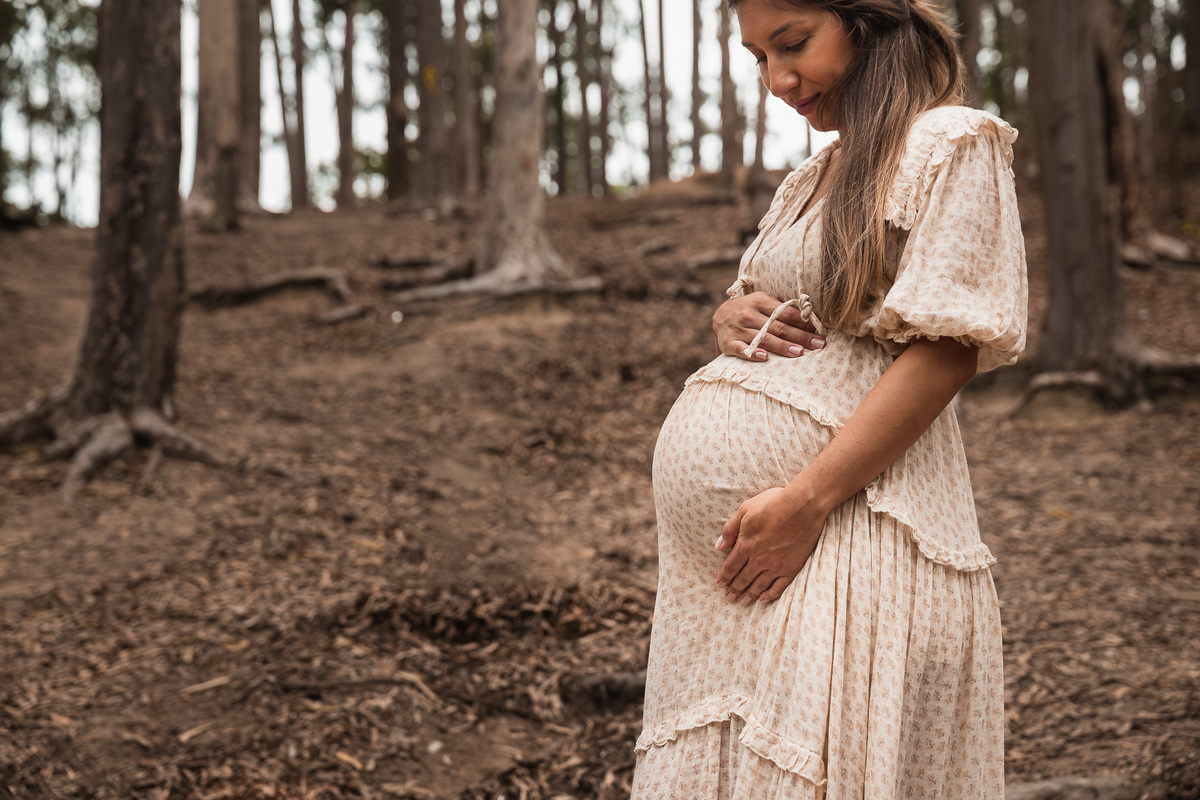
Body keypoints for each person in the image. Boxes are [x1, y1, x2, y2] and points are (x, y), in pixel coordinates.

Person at [630, 1, 1028, 798]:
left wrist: (807, 501)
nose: (778, 81)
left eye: (794, 44)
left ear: (870, 21)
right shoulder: (817, 174)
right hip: (740, 593)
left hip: (854, 538)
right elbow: (789, 298)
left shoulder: (950, 143)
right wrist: (728, 313)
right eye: (757, 58)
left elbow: (946, 352)